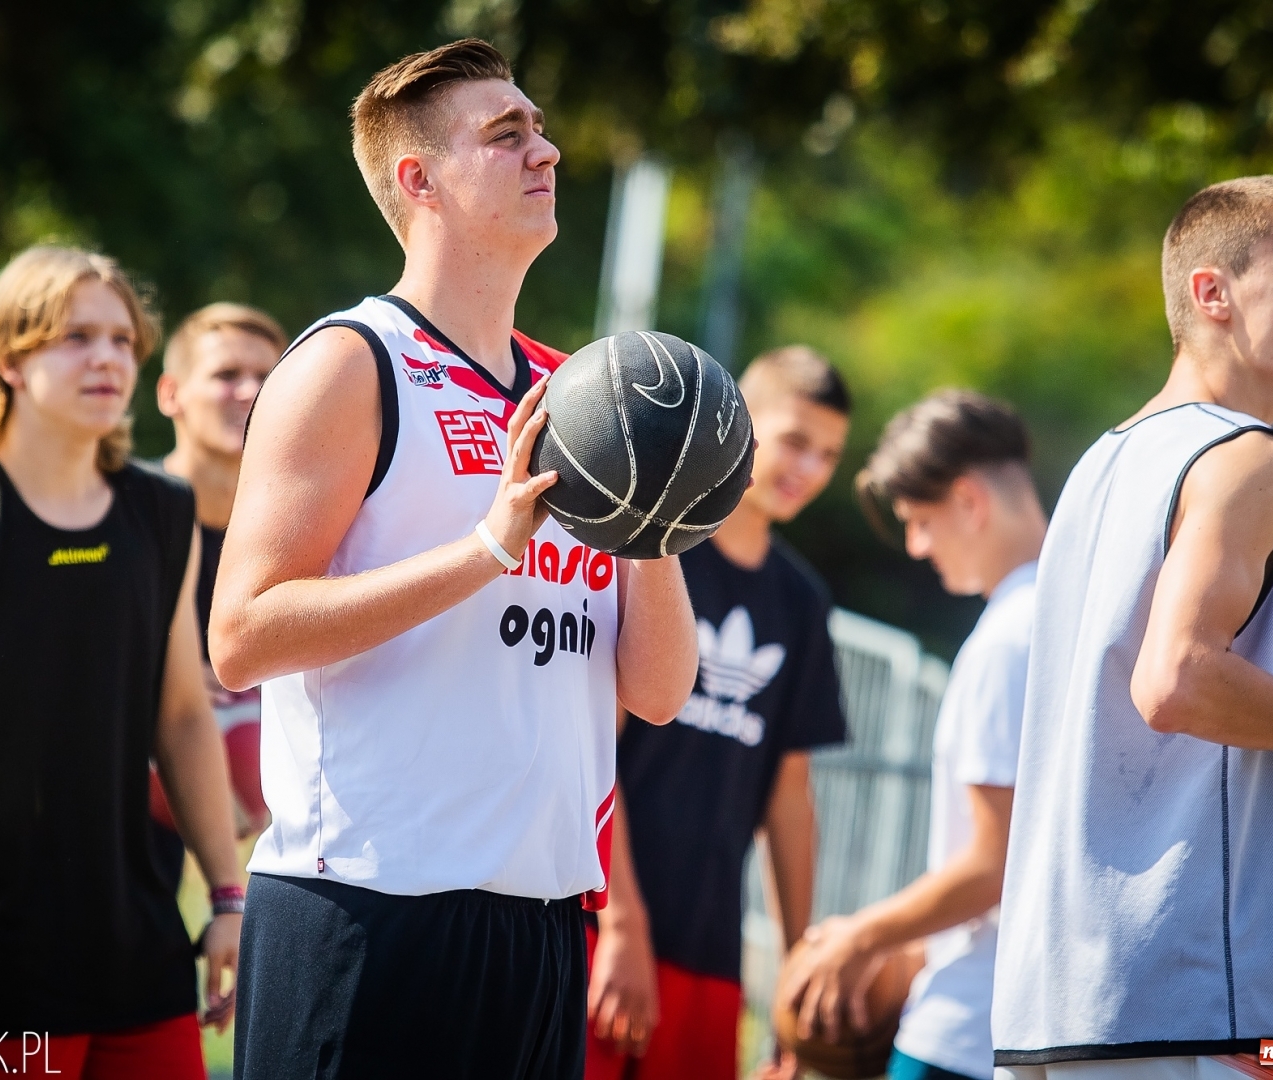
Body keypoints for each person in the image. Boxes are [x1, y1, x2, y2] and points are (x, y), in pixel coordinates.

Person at [210, 39, 698, 1080]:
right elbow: (242, 636)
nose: (549, 151)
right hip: (367, 912)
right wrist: (484, 553)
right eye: (507, 133)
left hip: (541, 923)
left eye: (542, 127)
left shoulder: (582, 398)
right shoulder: (351, 362)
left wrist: (653, 528)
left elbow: (658, 693)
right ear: (417, 180)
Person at [990, 175, 1273, 1080]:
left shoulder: (1101, 461)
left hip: (1056, 998)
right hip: (1193, 1003)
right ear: (1211, 292)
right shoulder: (1254, 456)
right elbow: (1177, 683)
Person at [0, 245, 245, 1078]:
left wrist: (227, 895)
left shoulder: (162, 511)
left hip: (140, 951)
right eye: (77, 336)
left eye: (121, 339)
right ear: (9, 357)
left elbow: (183, 714)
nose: (108, 357)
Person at [584, 345, 851, 1080]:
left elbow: (790, 800)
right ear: (742, 430)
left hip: (708, 947)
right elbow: (592, 752)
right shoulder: (656, 555)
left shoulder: (801, 604)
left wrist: (796, 983)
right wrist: (620, 921)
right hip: (596, 927)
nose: (808, 468)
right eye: (794, 440)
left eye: (828, 454)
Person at [779, 389, 1046, 1080]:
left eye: (919, 521)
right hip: (1043, 1022)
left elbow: (992, 864)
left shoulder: (1009, 641)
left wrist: (858, 938)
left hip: (965, 1030)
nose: (916, 546)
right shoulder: (1083, 618)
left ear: (968, 500)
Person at [149, 302, 287, 860]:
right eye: (227, 375)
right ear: (170, 394)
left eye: (266, 378)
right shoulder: (124, 511)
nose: (250, 392)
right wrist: (173, 678)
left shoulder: (297, 526)